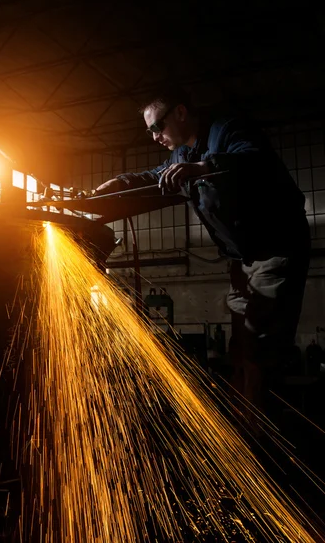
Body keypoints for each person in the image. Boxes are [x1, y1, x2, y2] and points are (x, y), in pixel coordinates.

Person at [95, 85, 310, 413]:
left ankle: (263, 438)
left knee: (260, 351)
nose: (154, 137)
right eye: (150, 130)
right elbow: (155, 177)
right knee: (241, 349)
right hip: (241, 260)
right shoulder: (182, 155)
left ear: (180, 112)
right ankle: (245, 421)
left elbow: (253, 160)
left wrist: (202, 169)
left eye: (157, 127)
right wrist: (117, 185)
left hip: (275, 251)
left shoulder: (228, 130)